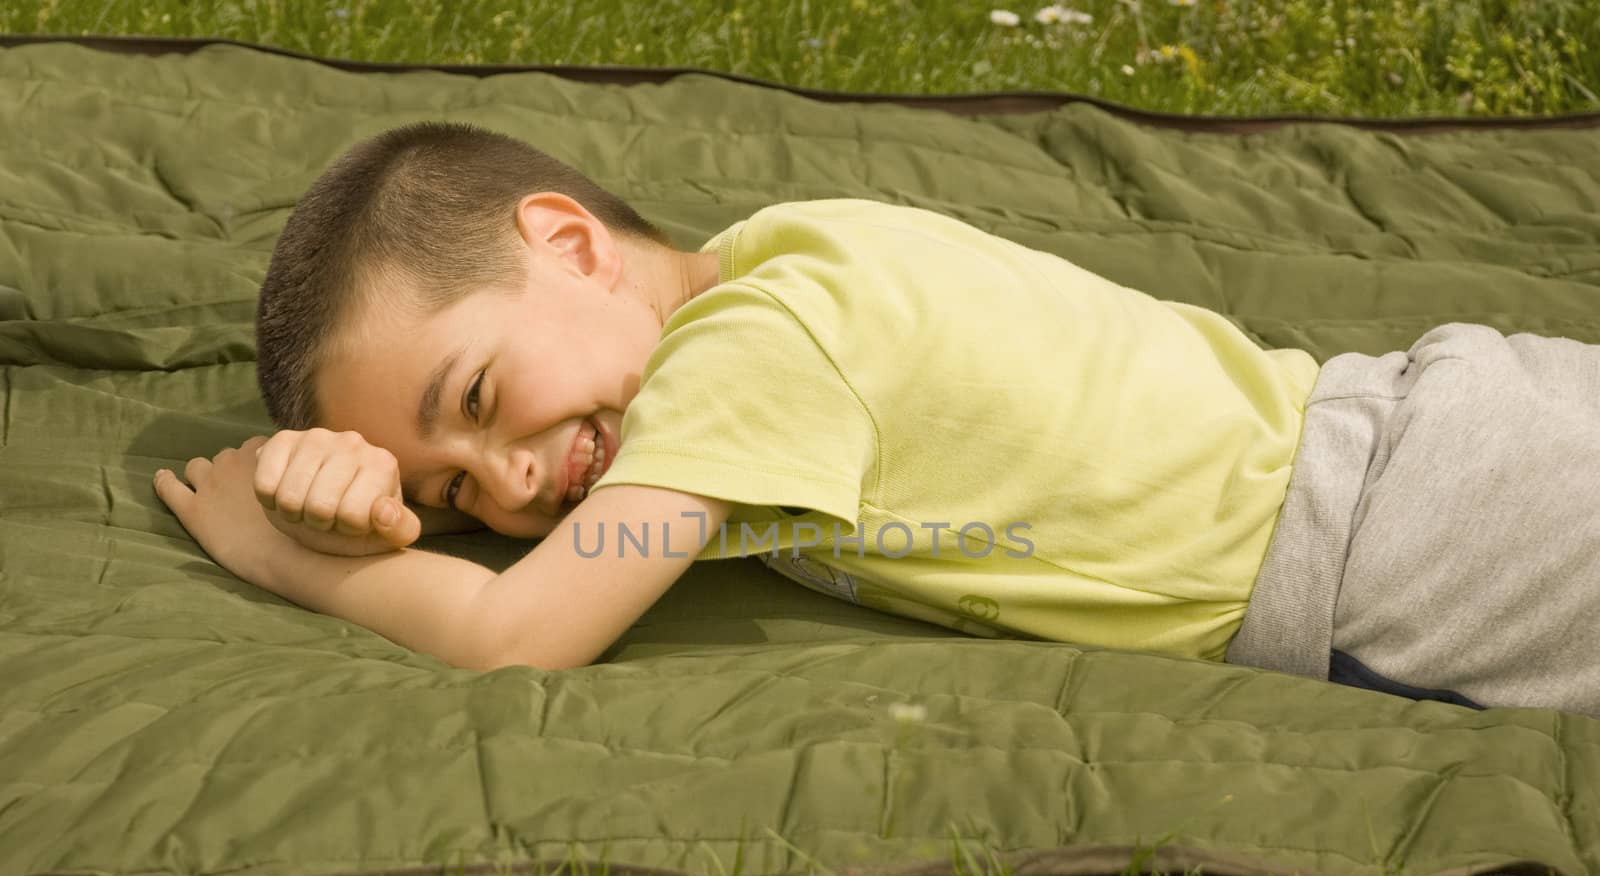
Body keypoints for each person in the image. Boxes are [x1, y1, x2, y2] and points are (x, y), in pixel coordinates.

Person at [155, 121, 1600, 717]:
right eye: (460, 494)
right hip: (1435, 441)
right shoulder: (774, 260)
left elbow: (525, 635)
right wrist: (370, 485)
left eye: (476, 400)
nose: (514, 479)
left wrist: (284, 553)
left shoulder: (756, 358)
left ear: (573, 242)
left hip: (1432, 531)